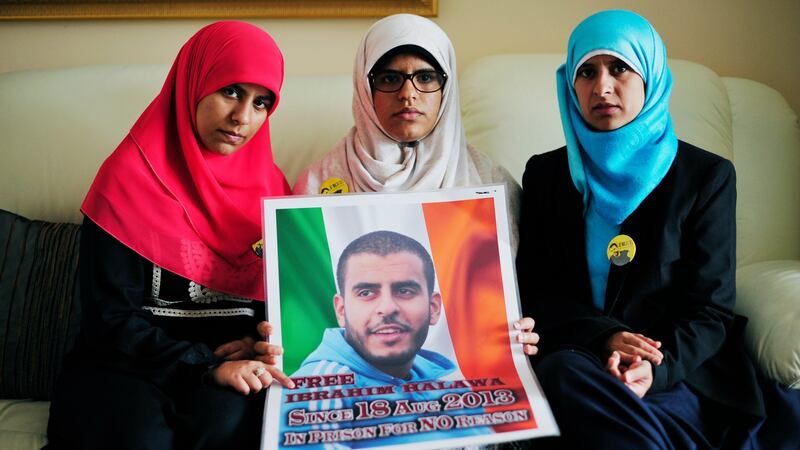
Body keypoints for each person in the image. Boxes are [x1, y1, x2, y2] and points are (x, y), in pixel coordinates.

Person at [516, 9, 800, 449]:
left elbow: (710, 310)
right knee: (562, 375)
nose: (602, 86)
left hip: (676, 371)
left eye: (620, 68)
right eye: (586, 72)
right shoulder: (546, 176)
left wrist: (655, 366)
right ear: (569, 84)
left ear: (649, 75)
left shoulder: (705, 177)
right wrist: (605, 337)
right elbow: (536, 292)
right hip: (579, 361)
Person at [46, 21, 293, 450]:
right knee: (139, 437)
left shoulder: (274, 192)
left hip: (228, 370)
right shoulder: (127, 180)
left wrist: (262, 342)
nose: (243, 117)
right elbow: (109, 320)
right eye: (231, 91)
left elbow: (281, 307)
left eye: (261, 103)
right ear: (192, 83)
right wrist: (202, 364)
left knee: (229, 425)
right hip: (125, 365)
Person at [292, 14, 523, 248]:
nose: (408, 94)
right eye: (390, 78)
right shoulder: (317, 183)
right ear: (365, 89)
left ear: (447, 89)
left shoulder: (490, 182)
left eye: (425, 77)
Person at [286, 230, 491, 446]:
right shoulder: (318, 391)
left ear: (434, 308)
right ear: (341, 310)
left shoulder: (451, 379)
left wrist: (516, 353)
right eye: (366, 293)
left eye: (404, 290)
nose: (387, 308)